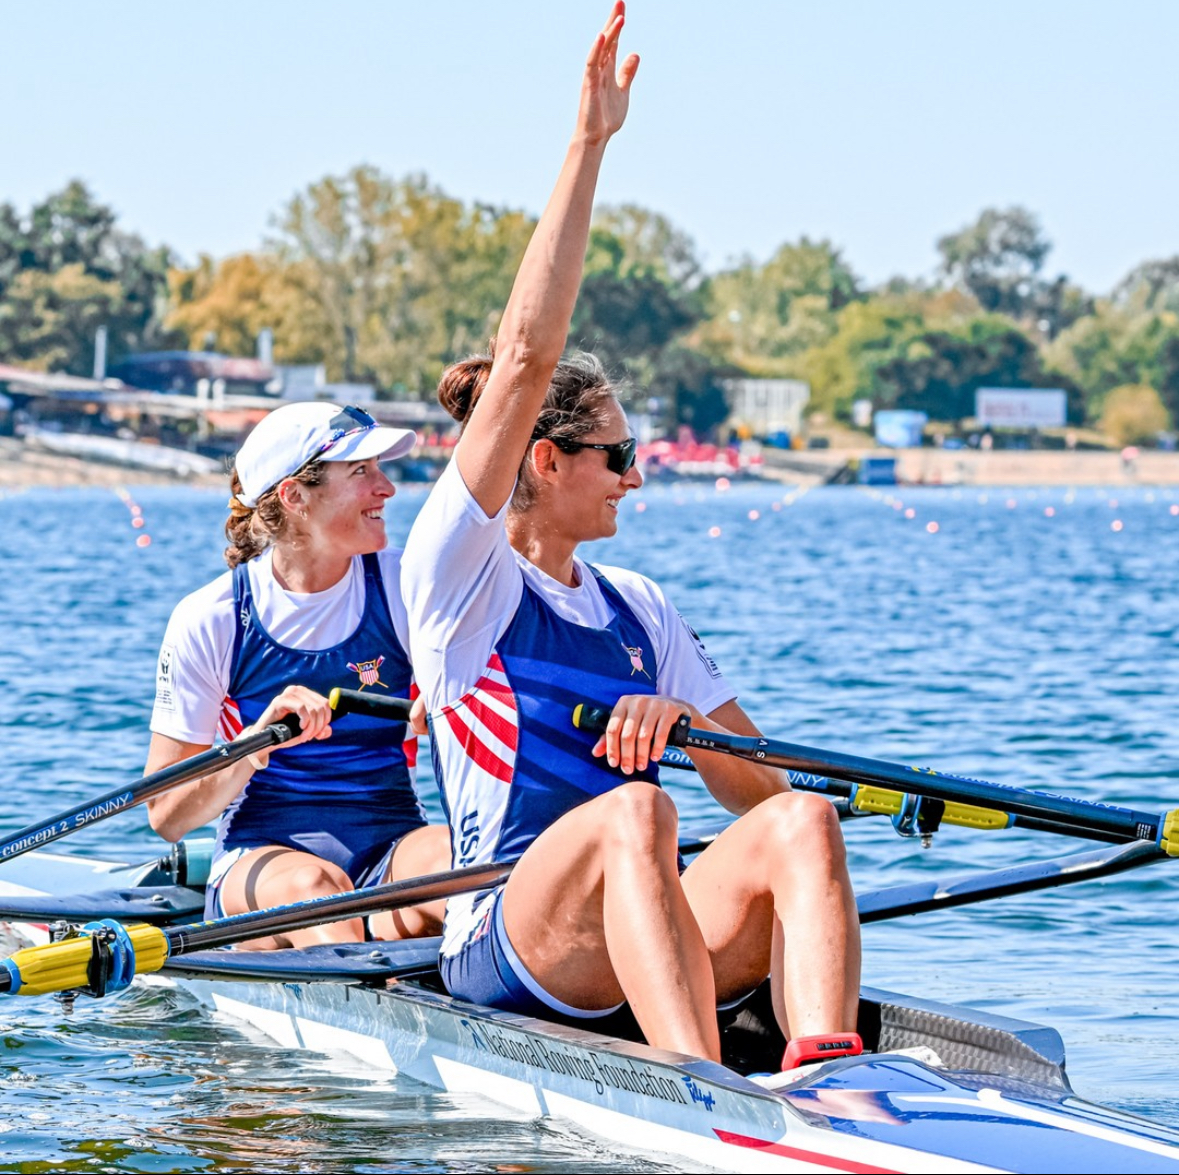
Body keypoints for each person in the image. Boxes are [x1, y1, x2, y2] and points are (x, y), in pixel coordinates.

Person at [401, 2, 861, 1064]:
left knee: (806, 826)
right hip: (512, 939)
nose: (635, 475)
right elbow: (524, 352)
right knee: (635, 816)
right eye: (616, 455)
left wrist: (686, 728)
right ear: (547, 460)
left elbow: (763, 793)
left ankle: (831, 1073)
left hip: (636, 931)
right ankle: (706, 1093)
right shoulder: (458, 575)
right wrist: (588, 143)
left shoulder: (638, 607)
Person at [145, 401, 449, 948]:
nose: (387, 488)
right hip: (261, 856)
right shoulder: (212, 617)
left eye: (381, 469)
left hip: (392, 843)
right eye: (361, 472)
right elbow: (166, 815)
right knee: (317, 887)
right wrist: (253, 745)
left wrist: (454, 705)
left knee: (471, 866)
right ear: (295, 497)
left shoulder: (408, 585)